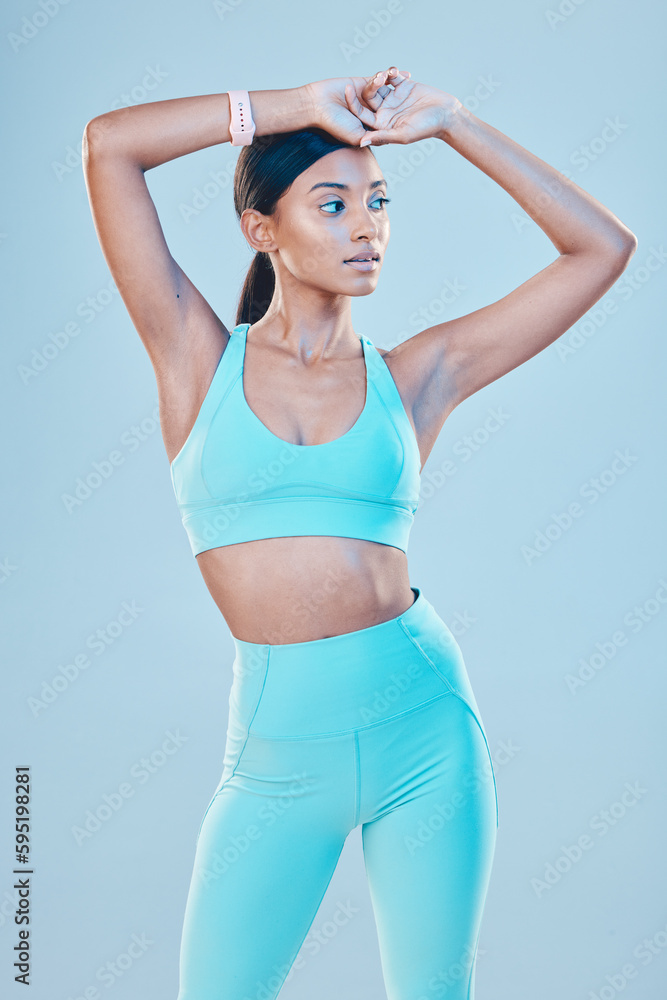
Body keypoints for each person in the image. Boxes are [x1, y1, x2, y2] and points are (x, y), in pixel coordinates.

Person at [82, 66, 637, 999]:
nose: (367, 227)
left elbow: (601, 249)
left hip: (424, 733)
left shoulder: (418, 375)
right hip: (275, 760)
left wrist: (455, 121)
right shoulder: (194, 359)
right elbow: (110, 148)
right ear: (262, 229)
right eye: (332, 204)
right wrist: (291, 108)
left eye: (377, 203)